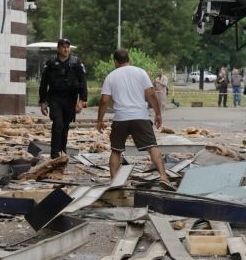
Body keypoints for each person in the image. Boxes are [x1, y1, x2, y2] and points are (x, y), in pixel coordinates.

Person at [96, 49, 173, 187]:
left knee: (116, 150)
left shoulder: (111, 76)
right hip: (140, 116)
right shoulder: (141, 72)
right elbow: (151, 94)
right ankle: (163, 176)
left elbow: (104, 100)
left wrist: (100, 120)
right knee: (152, 147)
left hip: (120, 118)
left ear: (115, 61)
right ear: (129, 59)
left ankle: (114, 183)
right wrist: (158, 114)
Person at [38, 38, 87, 159]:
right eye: (63, 47)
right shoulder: (51, 63)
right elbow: (44, 83)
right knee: (58, 124)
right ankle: (55, 152)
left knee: (65, 126)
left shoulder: (76, 62)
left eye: (68, 47)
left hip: (70, 99)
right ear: (58, 48)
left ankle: (62, 151)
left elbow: (83, 82)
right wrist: (43, 101)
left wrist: (82, 101)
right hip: (55, 98)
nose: (66, 49)